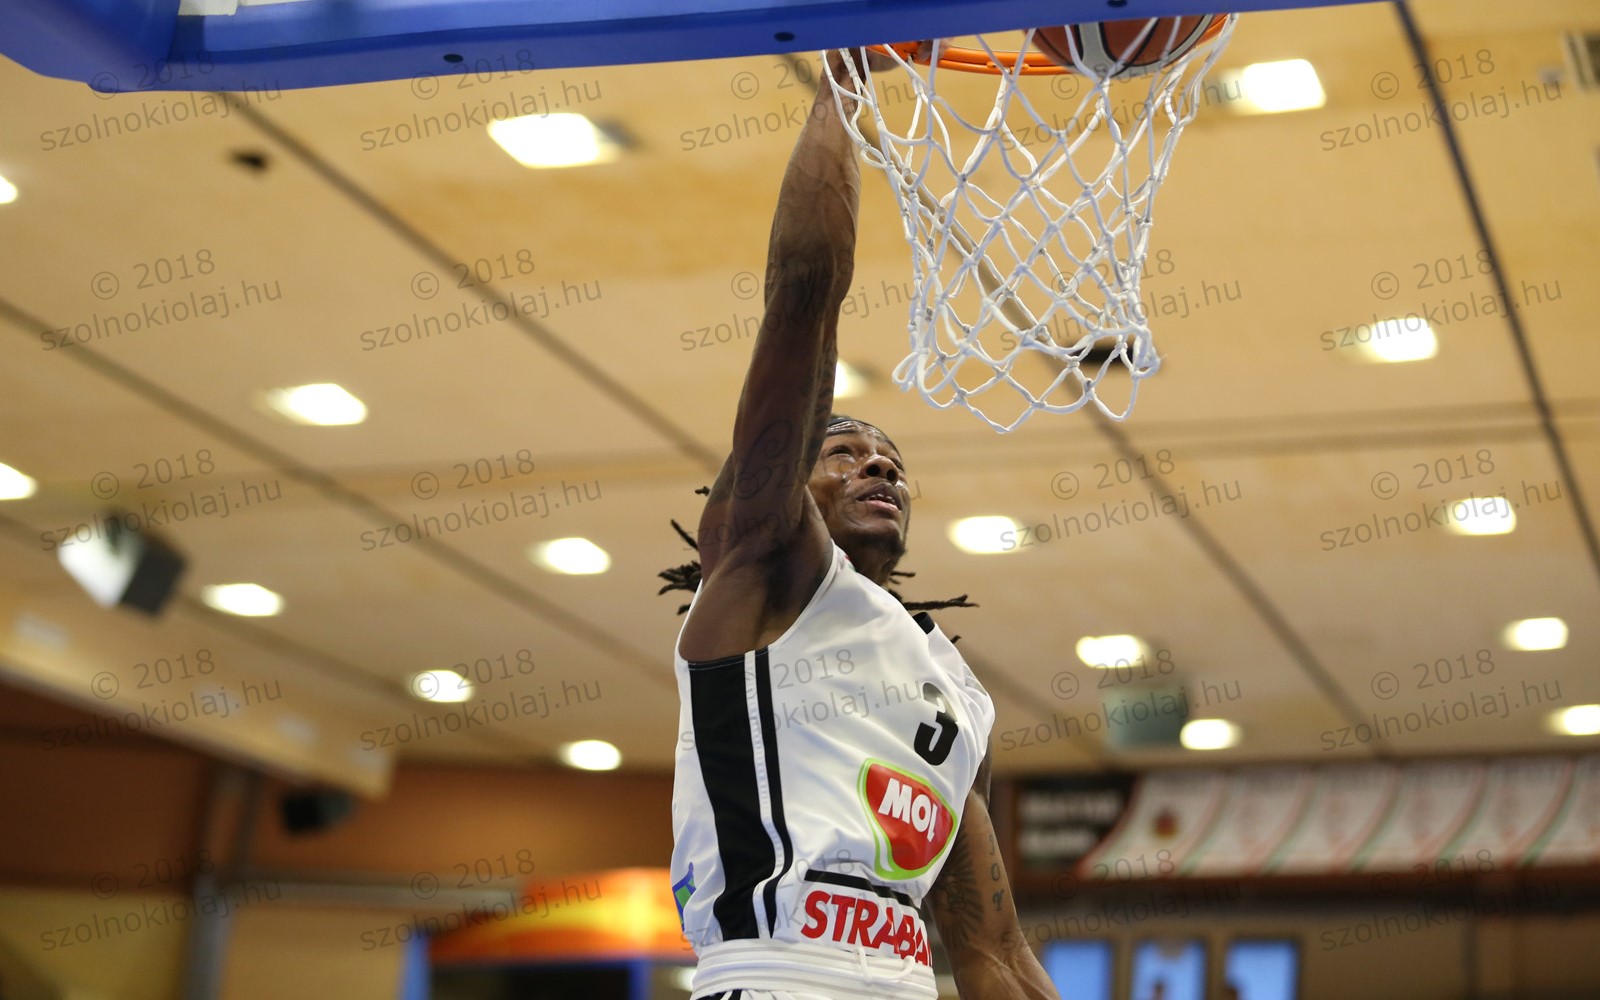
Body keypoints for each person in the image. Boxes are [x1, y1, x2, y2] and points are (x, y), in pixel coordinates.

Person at [661, 47, 1058, 1000]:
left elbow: (995, 951)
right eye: (842, 451)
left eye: (892, 460)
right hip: (775, 973)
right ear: (787, 482)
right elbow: (804, 293)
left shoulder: (957, 690)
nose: (879, 465)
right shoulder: (761, 570)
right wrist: (846, 81)